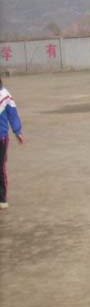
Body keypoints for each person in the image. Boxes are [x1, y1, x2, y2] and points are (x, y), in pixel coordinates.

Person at [0, 77, 24, 210]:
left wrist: (17, 131)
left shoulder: (5, 95)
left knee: (0, 168)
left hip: (1, 137)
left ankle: (2, 198)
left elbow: (12, 114)